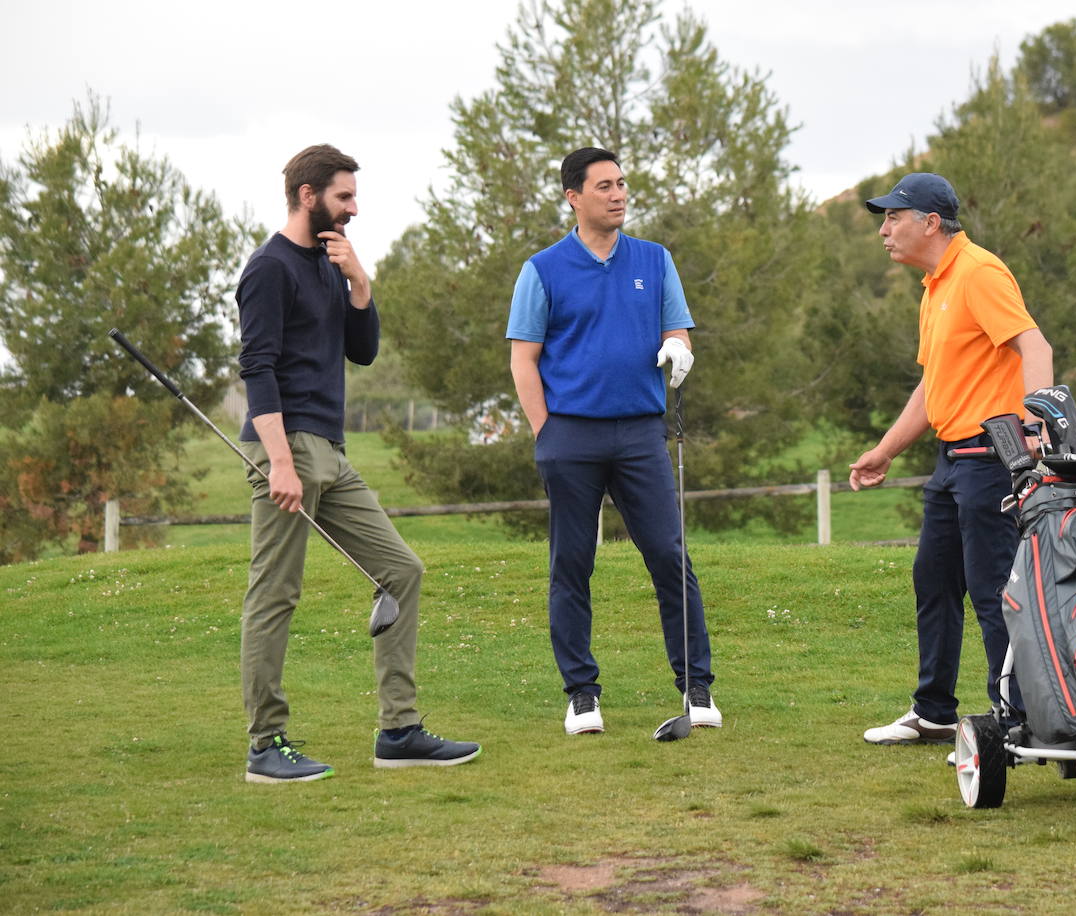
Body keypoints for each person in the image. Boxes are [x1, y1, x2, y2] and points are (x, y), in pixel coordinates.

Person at [236, 144, 481, 781]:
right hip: (285, 448)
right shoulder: (268, 269)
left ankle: (398, 731)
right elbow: (256, 370)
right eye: (344, 197)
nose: (353, 209)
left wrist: (360, 282)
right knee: (276, 595)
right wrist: (280, 463)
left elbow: (363, 353)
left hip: (332, 452)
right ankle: (266, 745)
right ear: (308, 195)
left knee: (402, 570)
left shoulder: (328, 263)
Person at [506, 146, 720, 736]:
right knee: (571, 565)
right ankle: (581, 693)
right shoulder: (542, 269)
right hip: (569, 434)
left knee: (670, 558)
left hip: (639, 434)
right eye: (604, 186)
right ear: (574, 196)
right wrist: (545, 432)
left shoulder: (654, 259)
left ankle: (695, 685)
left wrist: (679, 349)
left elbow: (677, 330)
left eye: (622, 183)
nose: (618, 194)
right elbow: (525, 359)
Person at [849, 173, 1054, 746]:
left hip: (992, 456)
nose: (884, 229)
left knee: (993, 591)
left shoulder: (978, 271)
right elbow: (933, 385)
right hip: (953, 459)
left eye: (894, 217)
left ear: (930, 223)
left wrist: (1036, 426)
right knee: (934, 580)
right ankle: (935, 712)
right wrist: (886, 450)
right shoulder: (936, 285)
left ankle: (1016, 721)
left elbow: (1035, 347)